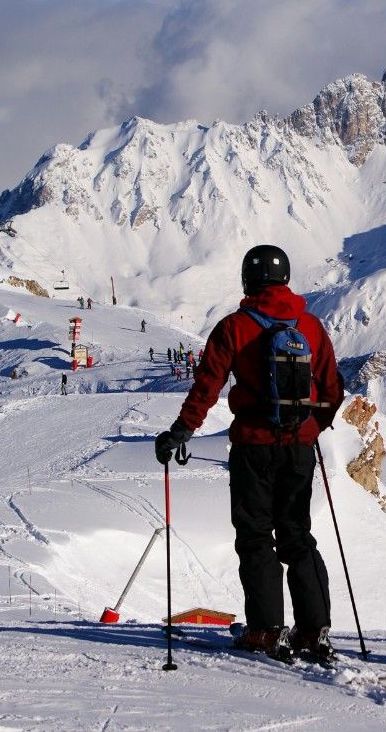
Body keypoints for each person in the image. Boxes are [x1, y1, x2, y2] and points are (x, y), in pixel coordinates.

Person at [154, 244, 344, 661]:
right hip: (299, 448)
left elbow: (207, 386)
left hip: (252, 449)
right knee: (298, 536)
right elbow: (333, 390)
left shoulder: (234, 327)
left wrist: (182, 431)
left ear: (247, 280)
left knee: (256, 536)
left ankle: (265, 630)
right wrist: (310, 428)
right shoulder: (310, 326)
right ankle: (314, 631)